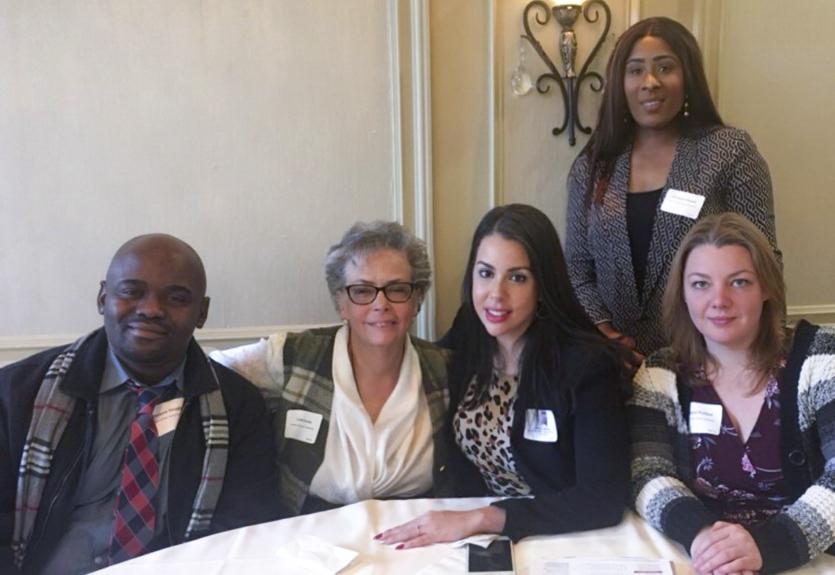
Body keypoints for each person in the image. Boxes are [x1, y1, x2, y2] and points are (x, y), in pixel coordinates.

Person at [0, 234, 280, 574]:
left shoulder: (238, 406)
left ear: (202, 312)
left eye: (176, 298)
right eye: (131, 291)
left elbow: (245, 529)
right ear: (103, 297)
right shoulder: (15, 394)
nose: (150, 309)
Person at [376, 204, 633, 548]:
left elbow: (603, 498)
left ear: (543, 285)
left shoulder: (587, 366)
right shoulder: (470, 331)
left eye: (517, 277)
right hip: (473, 534)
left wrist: (485, 519)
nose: (495, 294)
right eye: (485, 273)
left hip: (563, 536)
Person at [630, 213, 835, 575]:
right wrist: (702, 535)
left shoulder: (821, 358)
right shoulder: (660, 373)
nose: (718, 300)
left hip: (811, 559)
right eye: (700, 284)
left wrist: (766, 547)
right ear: (682, 292)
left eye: (739, 282)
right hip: (706, 560)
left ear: (768, 288)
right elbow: (646, 472)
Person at [211, 221, 459, 517]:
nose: (381, 304)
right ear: (341, 302)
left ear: (416, 299)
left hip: (420, 538)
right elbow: (211, 371)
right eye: (362, 291)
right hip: (312, 540)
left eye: (396, 289)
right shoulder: (295, 355)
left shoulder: (445, 369)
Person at [565, 17, 780, 357]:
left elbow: (764, 260)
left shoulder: (729, 151)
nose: (649, 82)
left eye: (664, 68)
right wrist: (607, 338)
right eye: (635, 71)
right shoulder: (594, 166)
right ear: (620, 83)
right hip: (612, 363)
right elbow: (576, 269)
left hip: (707, 358)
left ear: (688, 77)